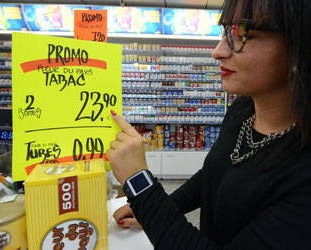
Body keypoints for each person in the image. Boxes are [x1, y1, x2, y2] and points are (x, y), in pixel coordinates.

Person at [106, 0, 311, 248]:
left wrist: (139, 183)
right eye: (224, 33)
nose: (217, 51)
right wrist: (156, 207)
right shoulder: (243, 108)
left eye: (240, 33)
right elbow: (214, 173)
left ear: (301, 42)